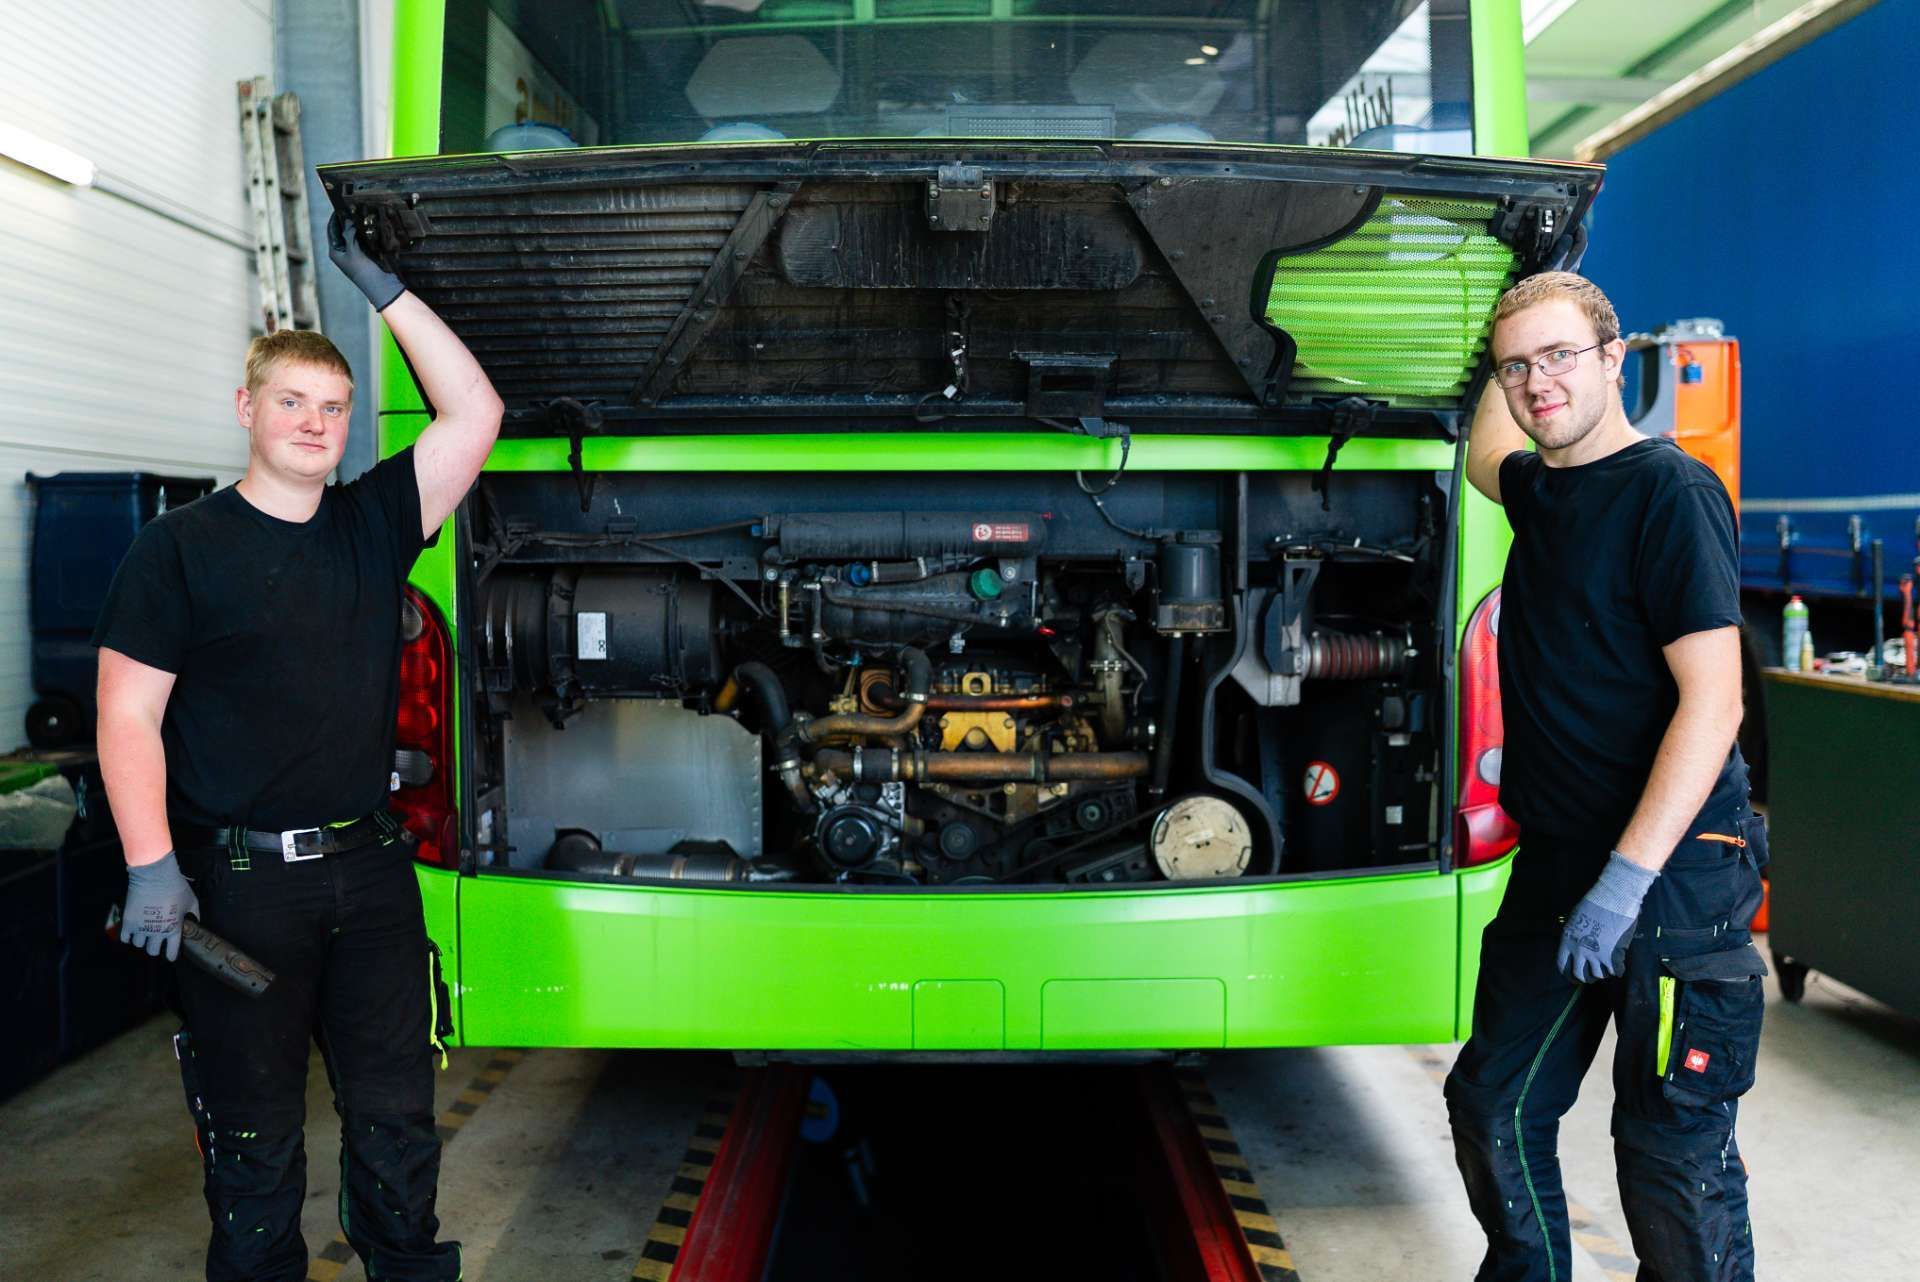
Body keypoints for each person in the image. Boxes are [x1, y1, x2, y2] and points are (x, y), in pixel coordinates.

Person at [95, 214, 502, 1282]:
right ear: (247, 408)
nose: (316, 423)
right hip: (240, 891)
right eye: (293, 401)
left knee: (397, 1120)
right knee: (252, 1134)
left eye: (333, 407)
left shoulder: (374, 522)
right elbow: (126, 714)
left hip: (371, 877)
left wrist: (383, 286)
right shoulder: (176, 549)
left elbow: (477, 410)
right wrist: (150, 865)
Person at [1445, 272, 1767, 1282]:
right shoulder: (1542, 491)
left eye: (1560, 357)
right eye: (1518, 364)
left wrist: (1625, 882)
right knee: (1494, 1102)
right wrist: (1493, 306)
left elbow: (1715, 703)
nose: (1540, 382)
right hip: (1561, 865)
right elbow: (1488, 449)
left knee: (1668, 1150)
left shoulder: (1668, 493)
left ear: (1613, 361)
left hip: (1673, 876)